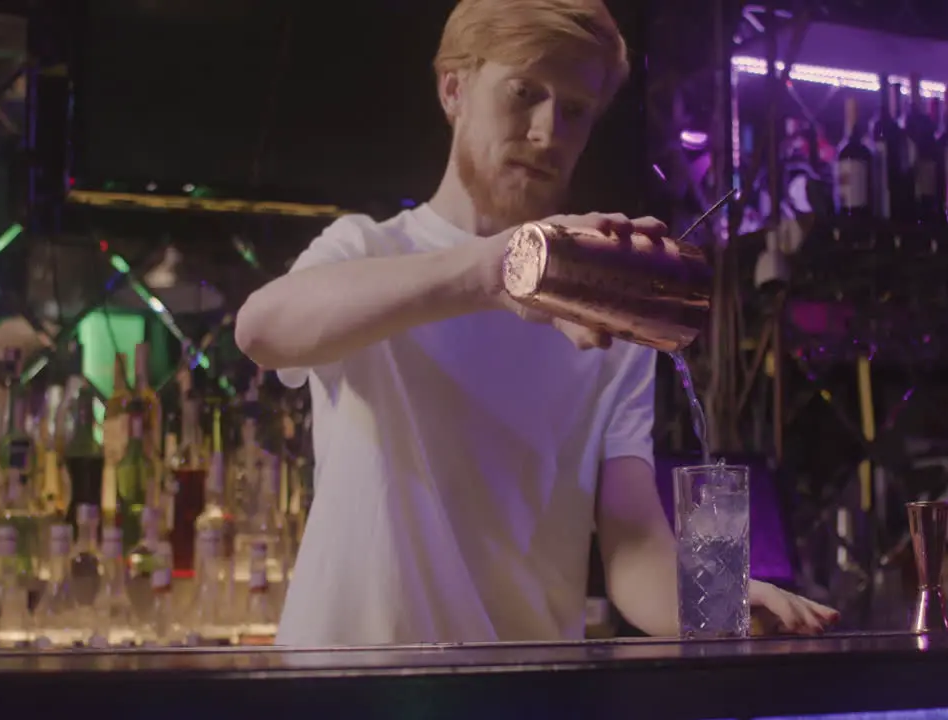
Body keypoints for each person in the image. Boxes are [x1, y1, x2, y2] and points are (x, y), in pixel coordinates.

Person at [235, 0, 838, 647]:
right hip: (348, 694)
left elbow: (634, 548)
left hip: (522, 696)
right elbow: (263, 330)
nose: (549, 132)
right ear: (454, 89)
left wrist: (717, 605)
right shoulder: (367, 251)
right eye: (525, 93)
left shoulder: (604, 322)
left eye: (575, 111)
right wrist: (496, 272)